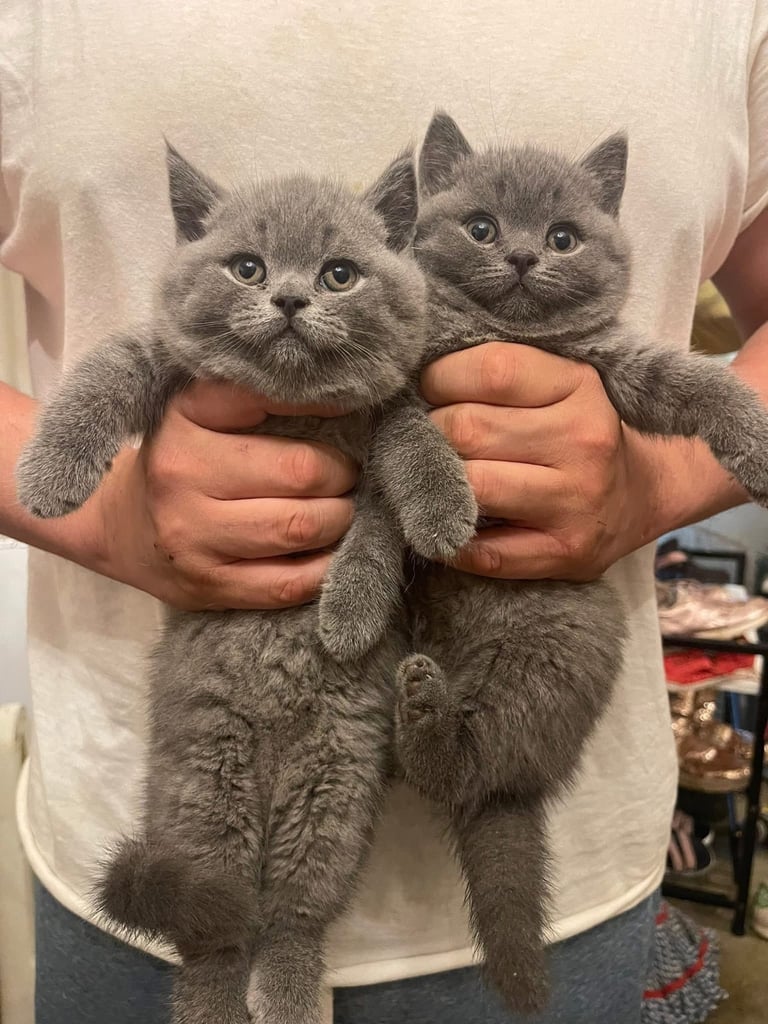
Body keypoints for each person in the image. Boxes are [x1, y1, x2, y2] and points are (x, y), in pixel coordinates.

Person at [1, 2, 768, 1022]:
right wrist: (97, 515)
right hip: (133, 798)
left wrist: (663, 484)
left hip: (573, 843)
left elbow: (400, 421)